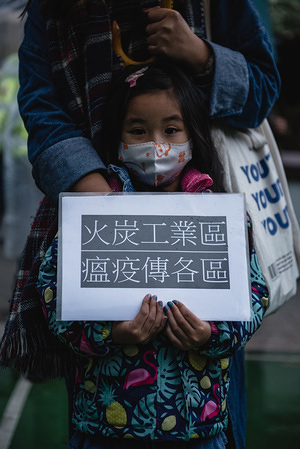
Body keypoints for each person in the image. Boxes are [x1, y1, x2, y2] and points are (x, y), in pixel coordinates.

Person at [0, 0, 278, 447]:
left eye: (172, 130)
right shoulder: (55, 12)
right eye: (138, 132)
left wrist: (201, 55)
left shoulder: (213, 213)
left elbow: (248, 298)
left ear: (192, 135)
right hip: (106, 423)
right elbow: (58, 298)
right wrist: (100, 210)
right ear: (118, 135)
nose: (156, 146)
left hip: (200, 423)